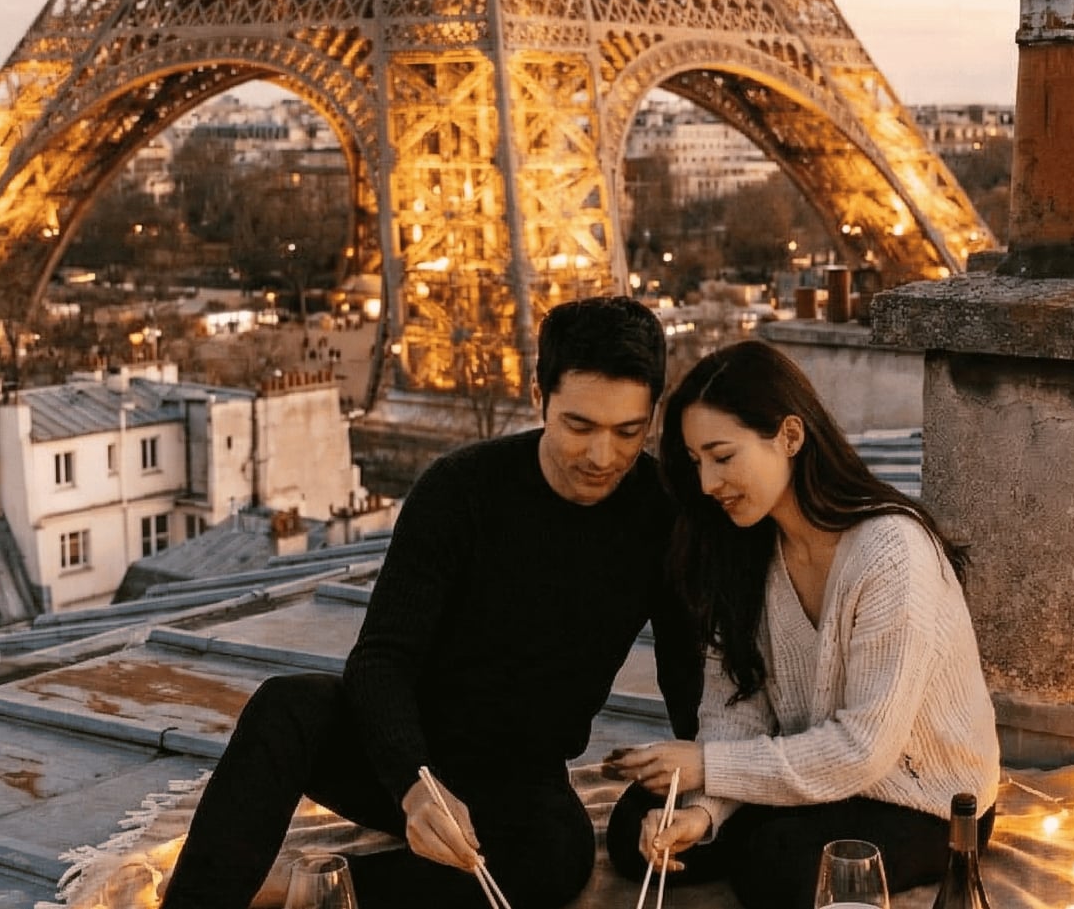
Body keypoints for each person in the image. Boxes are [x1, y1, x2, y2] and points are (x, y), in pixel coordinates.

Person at [160, 296, 702, 909]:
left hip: (517, 779)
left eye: (628, 432)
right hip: (399, 751)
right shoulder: (460, 488)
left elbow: (686, 672)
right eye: (579, 427)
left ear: (652, 415)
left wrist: (706, 776)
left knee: (558, 856)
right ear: (538, 398)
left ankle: (303, 889)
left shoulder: (664, 516)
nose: (603, 456)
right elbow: (380, 660)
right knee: (286, 707)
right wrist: (414, 782)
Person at [604, 340, 1000, 909]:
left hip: (924, 798)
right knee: (636, 828)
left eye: (722, 456)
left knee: (778, 865)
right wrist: (703, 813)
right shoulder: (745, 548)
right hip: (810, 774)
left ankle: (768, 836)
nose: (708, 483)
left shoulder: (891, 553)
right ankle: (742, 827)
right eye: (695, 462)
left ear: (790, 436)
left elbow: (864, 749)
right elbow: (734, 710)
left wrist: (708, 767)